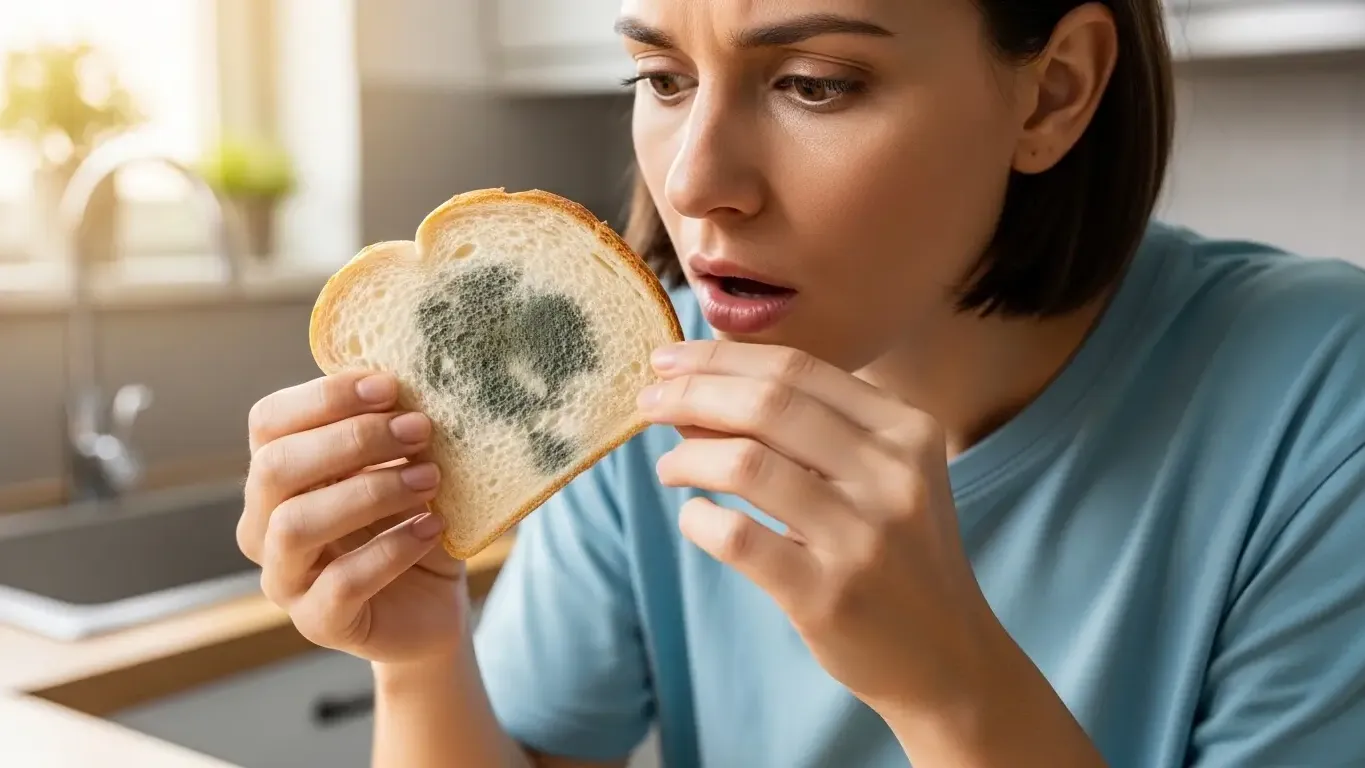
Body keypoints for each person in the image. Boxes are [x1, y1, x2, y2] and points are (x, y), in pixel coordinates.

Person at [235, 1, 1365, 765]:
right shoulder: (625, 389)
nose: (696, 181)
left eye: (817, 84)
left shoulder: (1321, 400)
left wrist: (951, 688)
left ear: (1053, 93)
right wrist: (423, 652)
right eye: (661, 76)